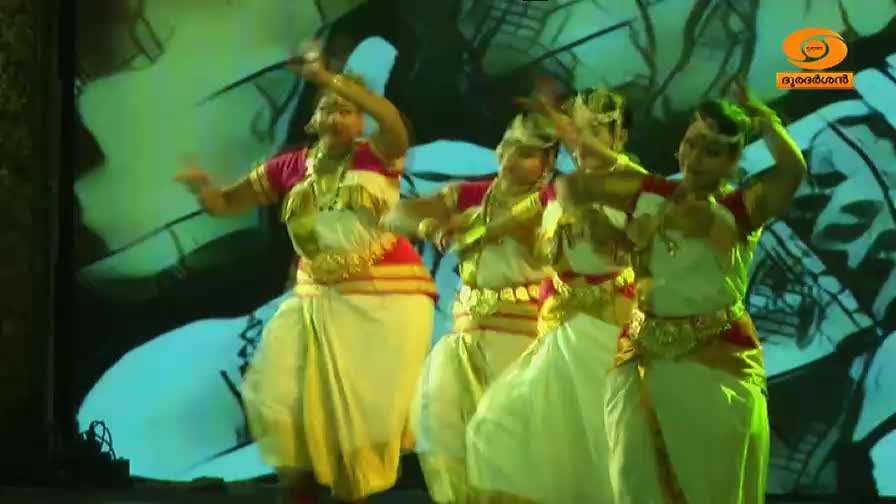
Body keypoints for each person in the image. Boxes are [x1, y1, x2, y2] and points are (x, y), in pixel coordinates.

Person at [175, 44, 436, 504]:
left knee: (356, 419)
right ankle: (299, 490)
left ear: (361, 123)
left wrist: (328, 79)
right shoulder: (290, 167)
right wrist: (203, 189)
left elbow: (392, 122)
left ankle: (346, 494)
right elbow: (225, 205)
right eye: (328, 109)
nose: (337, 116)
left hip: (384, 298)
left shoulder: (377, 156)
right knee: (277, 395)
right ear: (312, 121)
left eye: (349, 111)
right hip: (315, 297)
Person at [534, 80, 806, 503]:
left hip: (716, 361)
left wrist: (765, 120)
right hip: (642, 357)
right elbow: (572, 185)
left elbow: (793, 171)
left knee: (711, 486)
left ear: (733, 161)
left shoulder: (740, 210)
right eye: (691, 144)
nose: (695, 158)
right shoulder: (649, 192)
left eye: (712, 151)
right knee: (634, 482)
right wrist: (594, 221)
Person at [465, 88, 642, 503]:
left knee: (601, 451)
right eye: (575, 130)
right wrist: (467, 233)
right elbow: (513, 219)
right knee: (498, 428)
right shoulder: (562, 188)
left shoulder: (634, 183)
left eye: (593, 130)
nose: (579, 140)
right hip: (560, 331)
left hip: (608, 336)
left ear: (620, 137)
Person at [382, 112, 558, 503]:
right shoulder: (472, 194)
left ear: (546, 165)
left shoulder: (551, 206)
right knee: (446, 437)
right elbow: (396, 214)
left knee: (509, 453)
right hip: (464, 340)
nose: (512, 160)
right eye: (510, 146)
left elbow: (535, 241)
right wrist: (430, 227)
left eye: (527, 154)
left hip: (521, 342)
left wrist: (471, 225)